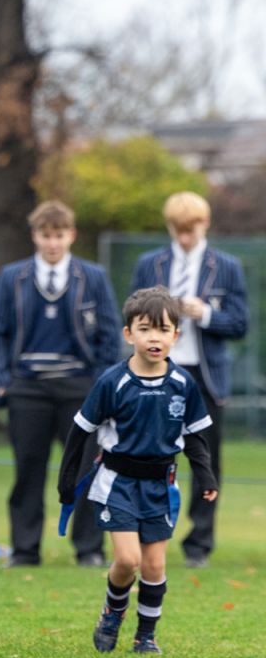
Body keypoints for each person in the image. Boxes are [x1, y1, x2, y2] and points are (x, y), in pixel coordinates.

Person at [58, 287, 217, 654]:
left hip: (160, 485)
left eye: (163, 329)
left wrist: (206, 475)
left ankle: (146, 635)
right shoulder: (113, 382)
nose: (154, 337)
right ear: (129, 334)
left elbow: (194, 437)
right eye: (145, 329)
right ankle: (112, 612)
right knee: (127, 561)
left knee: (155, 565)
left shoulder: (182, 384)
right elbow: (80, 430)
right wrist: (67, 481)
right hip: (118, 483)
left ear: (176, 336)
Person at [0, 201, 121, 567]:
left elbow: (110, 334)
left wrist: (102, 384)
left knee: (84, 470)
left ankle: (89, 549)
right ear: (35, 236)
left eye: (59, 235)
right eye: (46, 235)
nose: (53, 243)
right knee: (28, 470)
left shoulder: (91, 276)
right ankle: (26, 549)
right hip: (27, 386)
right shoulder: (12, 277)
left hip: (79, 387)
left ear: (71, 235)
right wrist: (1, 381)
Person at [130, 192, 248, 568]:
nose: (184, 238)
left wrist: (206, 314)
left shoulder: (226, 267)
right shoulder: (149, 265)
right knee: (144, 454)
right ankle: (144, 534)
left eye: (191, 230)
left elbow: (240, 323)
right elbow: (131, 313)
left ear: (205, 224)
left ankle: (199, 544)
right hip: (156, 372)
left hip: (204, 377)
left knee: (206, 462)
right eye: (178, 230)